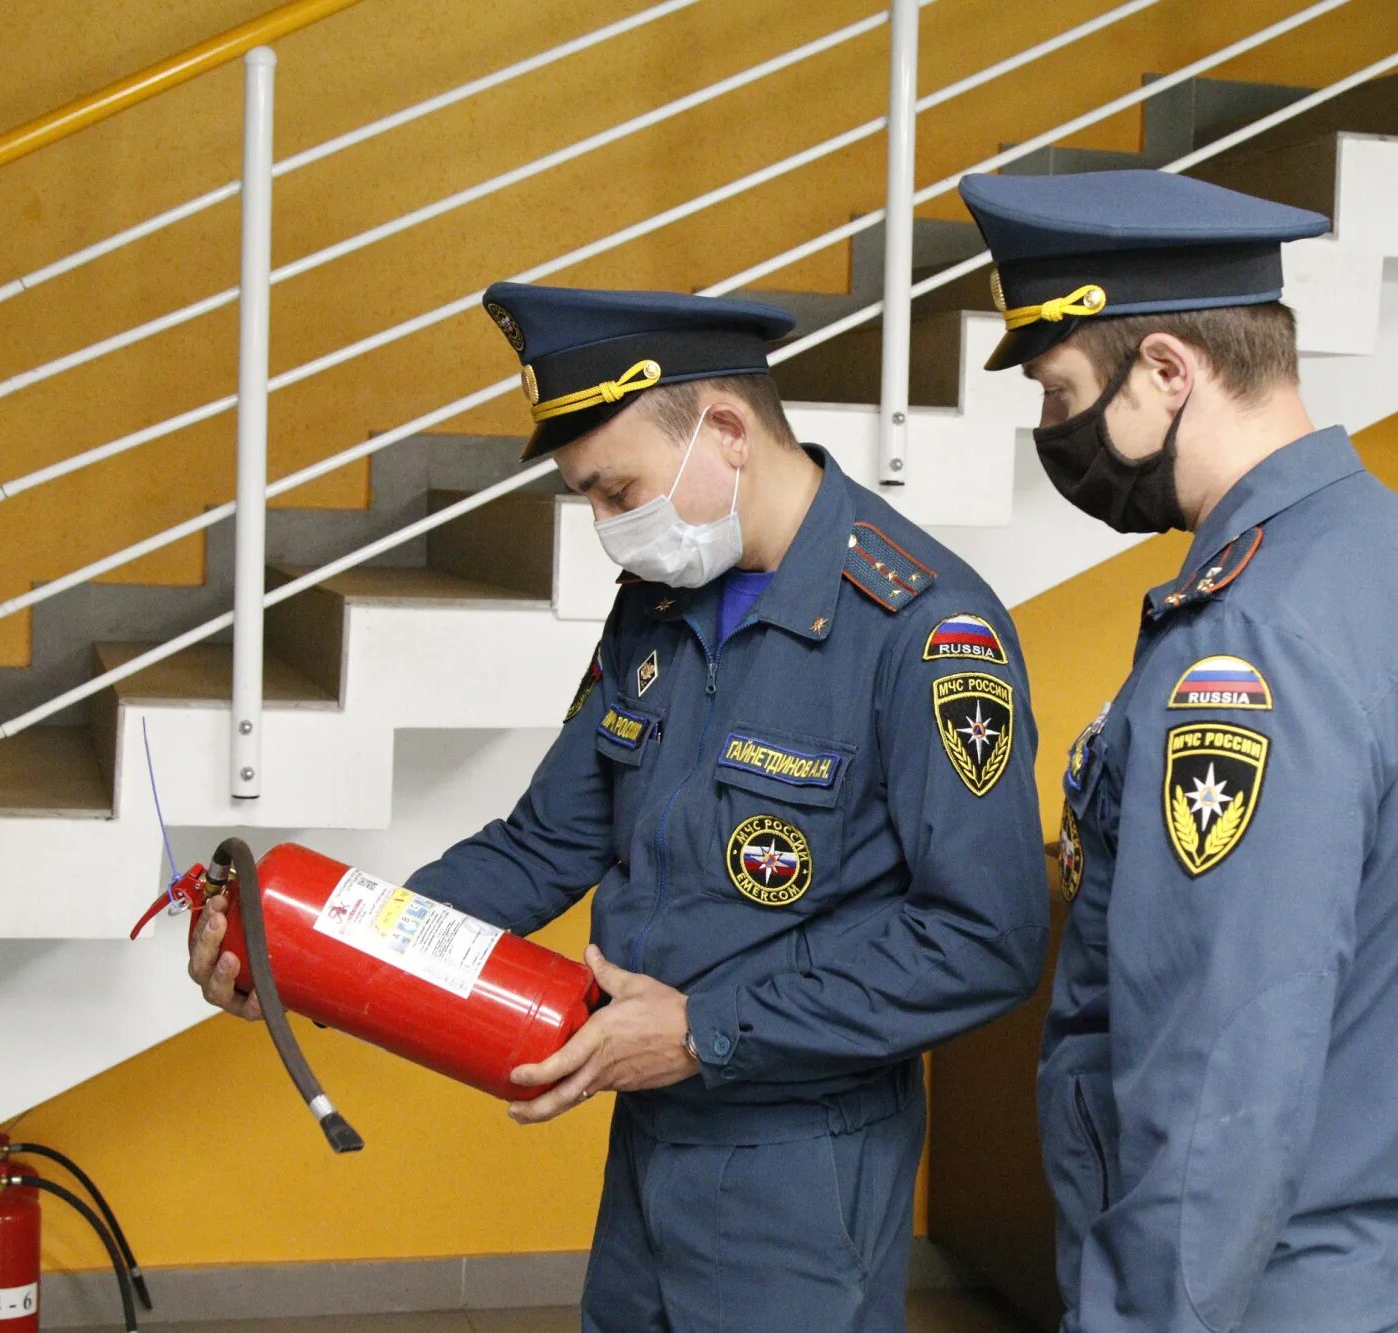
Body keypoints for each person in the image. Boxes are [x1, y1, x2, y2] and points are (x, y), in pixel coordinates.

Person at [187, 282, 1049, 1331]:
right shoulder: (665, 595)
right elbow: (547, 839)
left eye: (617, 490)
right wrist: (320, 954)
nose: (608, 528)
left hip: (799, 1156)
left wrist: (705, 1032)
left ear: (726, 432)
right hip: (651, 1122)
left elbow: (984, 938)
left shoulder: (924, 630)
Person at [959, 169, 1398, 1333]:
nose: (1049, 430)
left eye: (1061, 389)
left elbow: (1220, 1068)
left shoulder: (1252, 646)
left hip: (1249, 1291)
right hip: (1367, 1267)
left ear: (1166, 370)